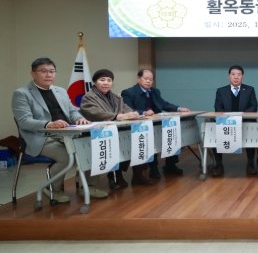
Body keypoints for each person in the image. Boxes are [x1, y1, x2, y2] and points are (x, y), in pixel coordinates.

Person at [11, 57, 108, 203]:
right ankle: (53, 189)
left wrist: (79, 119)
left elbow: (72, 111)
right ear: (33, 74)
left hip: (67, 133)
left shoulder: (60, 91)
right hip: (42, 137)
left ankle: (90, 187)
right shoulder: (22, 93)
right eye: (43, 71)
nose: (48, 75)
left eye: (51, 71)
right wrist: (48, 124)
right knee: (66, 157)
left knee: (93, 148)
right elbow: (24, 121)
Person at [80, 69, 153, 187]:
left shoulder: (115, 97)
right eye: (102, 80)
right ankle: (116, 174)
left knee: (139, 140)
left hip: (116, 131)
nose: (106, 83)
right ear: (95, 82)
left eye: (109, 80)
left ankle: (138, 174)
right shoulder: (89, 97)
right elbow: (95, 113)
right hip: (98, 133)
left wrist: (133, 113)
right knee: (122, 143)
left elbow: (126, 109)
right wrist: (118, 116)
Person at [122, 69, 190, 177]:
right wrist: (144, 112)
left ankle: (170, 165)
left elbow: (163, 104)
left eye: (151, 79)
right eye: (146, 79)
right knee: (151, 139)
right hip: (139, 125)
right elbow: (127, 109)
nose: (148, 81)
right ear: (138, 78)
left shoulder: (154, 91)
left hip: (156, 122)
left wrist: (178, 108)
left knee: (172, 134)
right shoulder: (128, 92)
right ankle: (153, 167)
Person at [213, 65, 258, 175]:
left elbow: (253, 106)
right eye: (233, 74)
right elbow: (218, 107)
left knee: (251, 130)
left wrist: (241, 117)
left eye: (239, 75)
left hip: (245, 122)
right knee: (214, 131)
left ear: (242, 77)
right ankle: (219, 163)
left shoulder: (249, 89)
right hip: (226, 122)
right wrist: (229, 118)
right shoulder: (221, 91)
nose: (236, 77)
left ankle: (250, 162)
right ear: (229, 76)